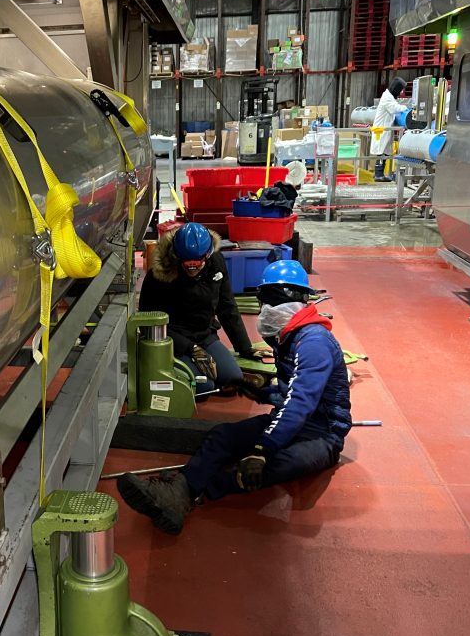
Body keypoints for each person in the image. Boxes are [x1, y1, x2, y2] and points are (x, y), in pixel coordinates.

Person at [118, 260, 352, 534]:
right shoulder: (288, 337)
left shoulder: (313, 343)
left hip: (321, 435)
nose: (265, 309)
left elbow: (300, 403)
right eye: (263, 301)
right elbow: (289, 392)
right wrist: (259, 392)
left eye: (271, 301)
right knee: (222, 436)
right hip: (291, 422)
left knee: (273, 465)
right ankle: (181, 490)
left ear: (295, 300)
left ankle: (193, 493)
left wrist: (263, 450)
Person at [139, 222, 259, 395]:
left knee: (232, 378)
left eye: (198, 263)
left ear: (208, 254)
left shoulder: (216, 263)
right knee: (204, 386)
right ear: (176, 255)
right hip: (173, 339)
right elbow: (148, 322)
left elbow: (227, 306)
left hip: (204, 334)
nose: (192, 269)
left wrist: (245, 347)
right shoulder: (158, 277)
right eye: (187, 264)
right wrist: (189, 348)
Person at [371, 77, 410, 182]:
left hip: (385, 129)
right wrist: (406, 108)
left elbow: (395, 106)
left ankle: (379, 173)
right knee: (381, 151)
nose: (401, 92)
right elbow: (394, 108)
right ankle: (378, 174)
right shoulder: (387, 97)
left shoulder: (389, 96)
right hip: (381, 130)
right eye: (401, 89)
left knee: (384, 151)